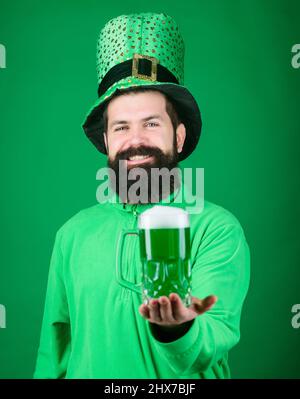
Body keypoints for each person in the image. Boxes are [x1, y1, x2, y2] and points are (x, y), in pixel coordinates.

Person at [34, 12, 250, 379]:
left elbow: (213, 338)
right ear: (106, 142)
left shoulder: (217, 229)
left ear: (178, 136)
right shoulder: (71, 235)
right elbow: (52, 356)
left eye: (151, 123)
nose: (135, 141)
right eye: (121, 127)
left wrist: (178, 328)